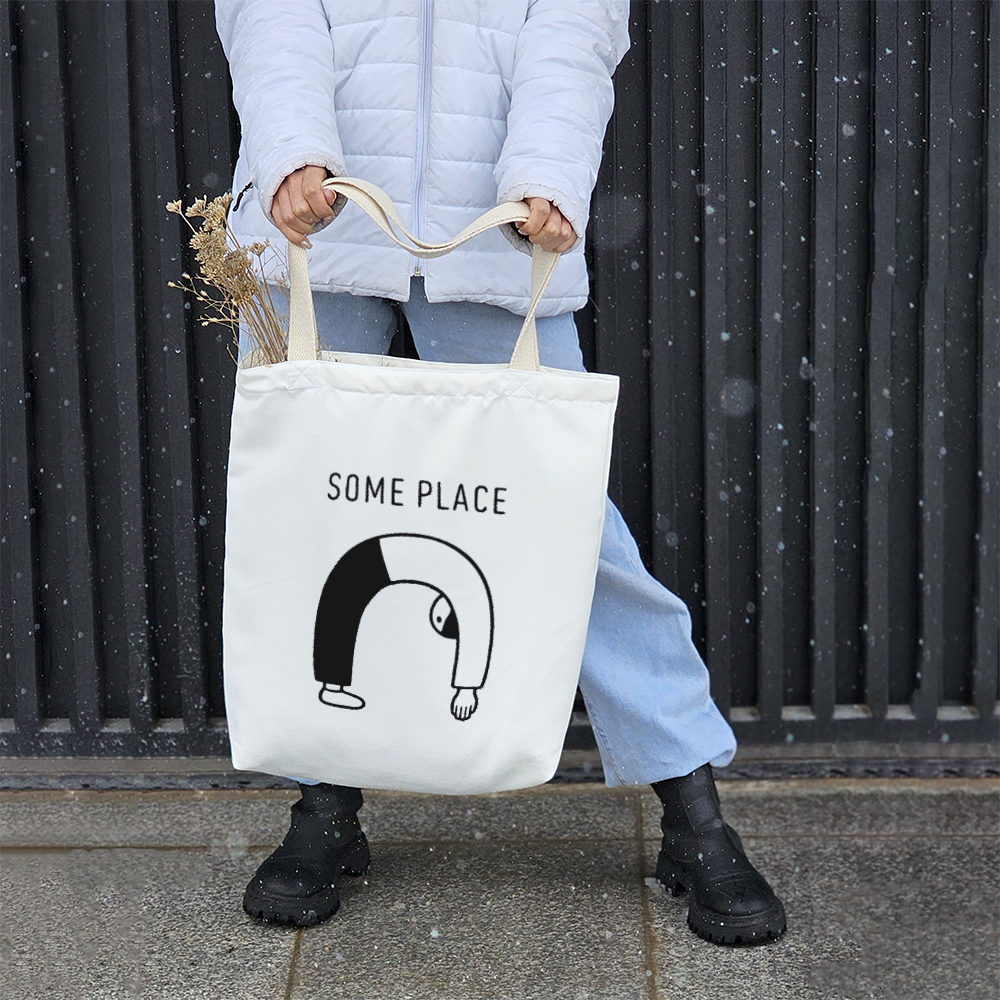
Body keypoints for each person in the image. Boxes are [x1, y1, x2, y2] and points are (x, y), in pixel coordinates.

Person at [215, 0, 786, 946]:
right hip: (316, 228)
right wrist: (291, 153)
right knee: (314, 529)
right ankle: (323, 802)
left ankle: (693, 812)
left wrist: (548, 174)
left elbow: (573, 26)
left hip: (495, 233)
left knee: (568, 530)